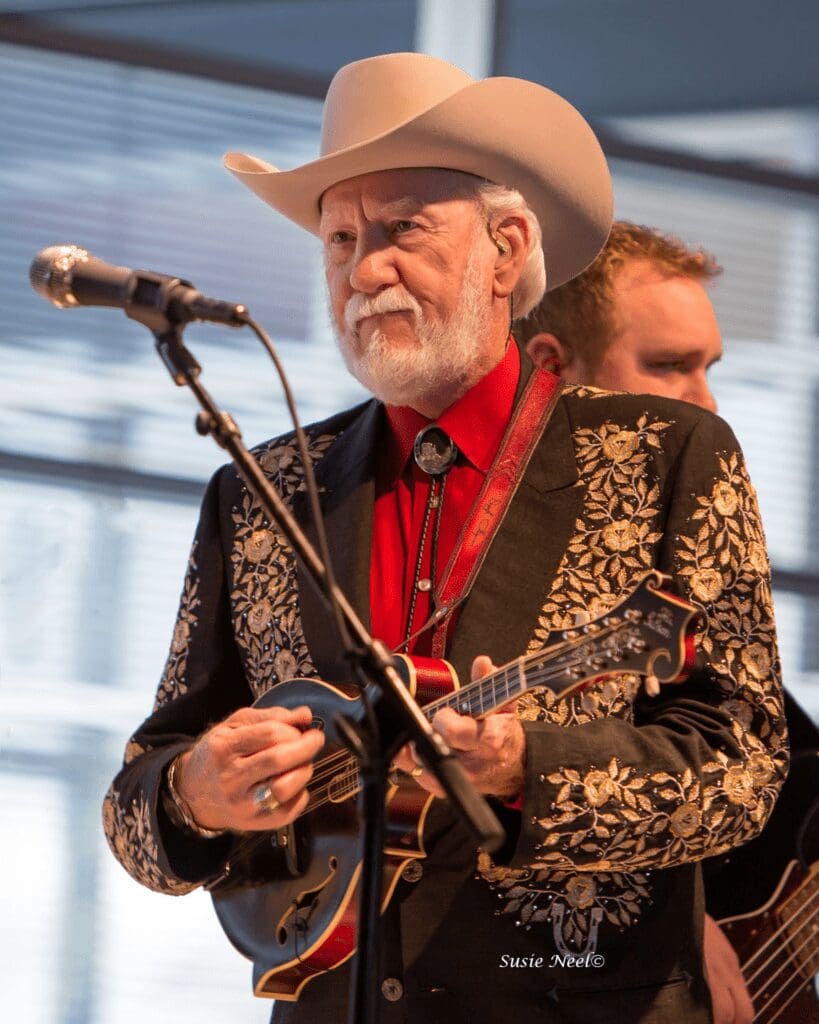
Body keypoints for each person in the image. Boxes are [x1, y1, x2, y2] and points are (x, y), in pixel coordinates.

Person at [103, 53, 788, 1024]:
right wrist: (195, 794)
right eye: (340, 238)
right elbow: (136, 801)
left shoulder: (664, 455)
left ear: (507, 249)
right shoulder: (260, 494)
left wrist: (526, 767)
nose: (365, 268)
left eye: (403, 231)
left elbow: (743, 768)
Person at [518, 221, 818, 1024]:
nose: (707, 401)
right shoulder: (494, 570)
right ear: (552, 368)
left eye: (707, 367)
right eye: (668, 366)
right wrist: (669, 922)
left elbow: (764, 777)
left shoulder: (689, 552)